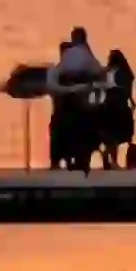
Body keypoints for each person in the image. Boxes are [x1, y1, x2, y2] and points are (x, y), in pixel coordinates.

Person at [52, 28, 103, 171]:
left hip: (67, 102)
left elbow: (57, 73)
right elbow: (98, 72)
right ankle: (85, 155)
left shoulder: (69, 54)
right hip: (81, 101)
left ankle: (61, 158)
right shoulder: (86, 54)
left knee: (59, 122)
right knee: (94, 117)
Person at [99, 50, 136, 170]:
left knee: (110, 136)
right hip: (120, 107)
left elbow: (102, 89)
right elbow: (127, 90)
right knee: (116, 136)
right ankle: (112, 160)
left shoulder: (107, 72)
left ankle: (108, 156)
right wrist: (131, 101)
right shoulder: (125, 73)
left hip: (107, 106)